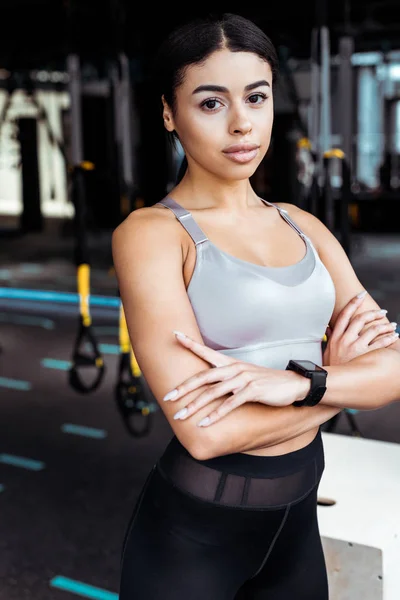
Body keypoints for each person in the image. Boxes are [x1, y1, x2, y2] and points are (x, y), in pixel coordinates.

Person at [112, 13, 400, 599]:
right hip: (191, 541)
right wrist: (336, 383)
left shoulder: (304, 225)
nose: (242, 123)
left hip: (296, 531)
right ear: (170, 113)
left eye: (257, 97)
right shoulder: (152, 234)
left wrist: (293, 386)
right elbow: (205, 434)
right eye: (211, 103)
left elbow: (393, 372)